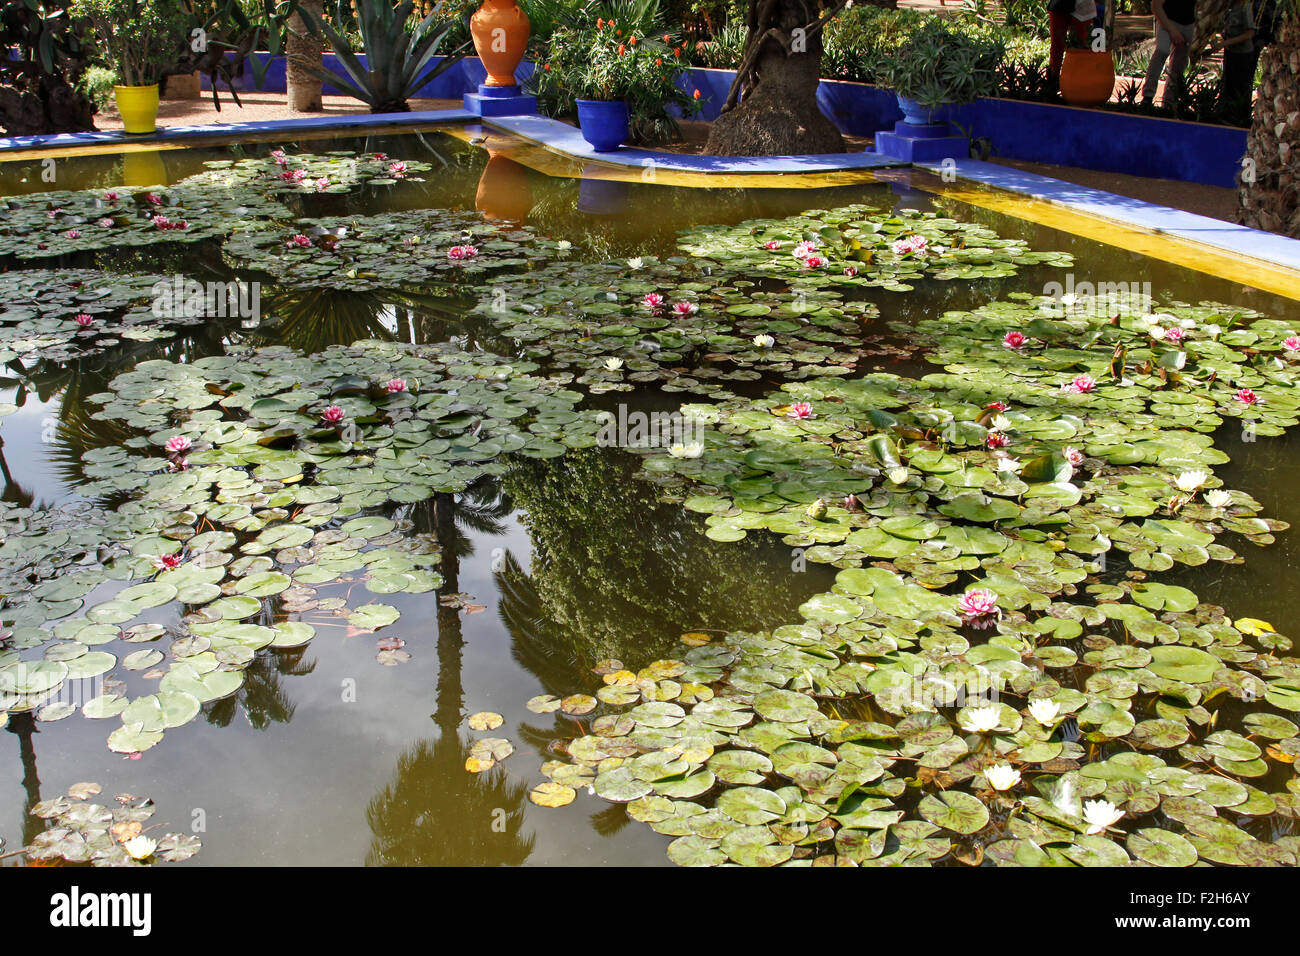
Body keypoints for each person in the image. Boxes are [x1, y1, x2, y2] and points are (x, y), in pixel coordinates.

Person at [1140, 0, 1198, 109]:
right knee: (1162, 51)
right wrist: (1172, 30)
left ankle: (1169, 102)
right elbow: (1156, 6)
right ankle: (1148, 96)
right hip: (1167, 20)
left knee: (1179, 64)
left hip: (1188, 23)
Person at [1218, 0, 1257, 124]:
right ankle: (1225, 115)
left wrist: (1225, 43)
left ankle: (1239, 118)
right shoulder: (1229, 6)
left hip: (1243, 54)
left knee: (1240, 86)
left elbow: (1249, 34)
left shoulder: (1245, 8)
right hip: (1230, 52)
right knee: (1227, 84)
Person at [1048, 0, 1101, 88]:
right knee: (1057, 46)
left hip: (1083, 6)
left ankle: (1077, 83)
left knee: (1080, 49)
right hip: (1059, 5)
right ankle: (1052, 82)